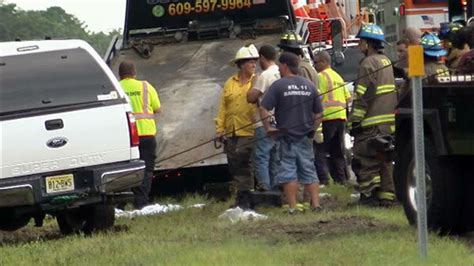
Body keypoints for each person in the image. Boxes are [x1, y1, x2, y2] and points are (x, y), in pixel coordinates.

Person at [260, 52, 323, 214]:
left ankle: (293, 208)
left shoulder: (279, 85)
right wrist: (312, 130)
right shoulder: (309, 86)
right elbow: (319, 114)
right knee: (309, 170)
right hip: (305, 137)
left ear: (285, 66)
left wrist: (268, 128)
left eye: (280, 66)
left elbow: (263, 107)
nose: (279, 69)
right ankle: (316, 206)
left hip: (285, 137)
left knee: (288, 172)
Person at [348, 24, 398, 207]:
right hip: (388, 122)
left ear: (367, 44)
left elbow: (362, 95)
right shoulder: (386, 61)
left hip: (371, 123)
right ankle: (386, 197)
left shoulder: (368, 63)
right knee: (384, 160)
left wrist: (355, 121)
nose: (359, 45)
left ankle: (369, 196)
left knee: (364, 159)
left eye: (360, 41)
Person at [215, 44, 259, 194]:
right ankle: (242, 194)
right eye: (249, 61)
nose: (253, 64)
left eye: (255, 61)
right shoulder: (230, 82)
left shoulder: (257, 81)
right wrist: (220, 129)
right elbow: (223, 107)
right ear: (240, 65)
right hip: (231, 131)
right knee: (234, 163)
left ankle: (249, 193)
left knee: (245, 161)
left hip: (249, 129)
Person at [119, 60, 161, 209]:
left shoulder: (116, 88)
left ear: (120, 74)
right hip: (147, 136)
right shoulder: (145, 86)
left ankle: (120, 204)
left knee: (122, 170)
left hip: (125, 138)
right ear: (134, 72)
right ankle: (141, 203)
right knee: (147, 170)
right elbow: (157, 108)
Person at [313, 51, 352, 185]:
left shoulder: (320, 77)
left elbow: (316, 98)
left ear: (324, 62)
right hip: (341, 117)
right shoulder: (338, 77)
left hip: (327, 117)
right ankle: (341, 179)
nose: (314, 64)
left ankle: (323, 179)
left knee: (321, 149)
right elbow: (349, 97)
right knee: (337, 150)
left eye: (316, 62)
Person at [247, 45, 281, 191]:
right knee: (274, 158)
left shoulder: (265, 75)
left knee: (261, 156)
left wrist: (252, 87)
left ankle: (265, 190)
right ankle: (275, 190)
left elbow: (251, 97)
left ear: (262, 57)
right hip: (280, 122)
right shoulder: (281, 72)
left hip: (265, 123)